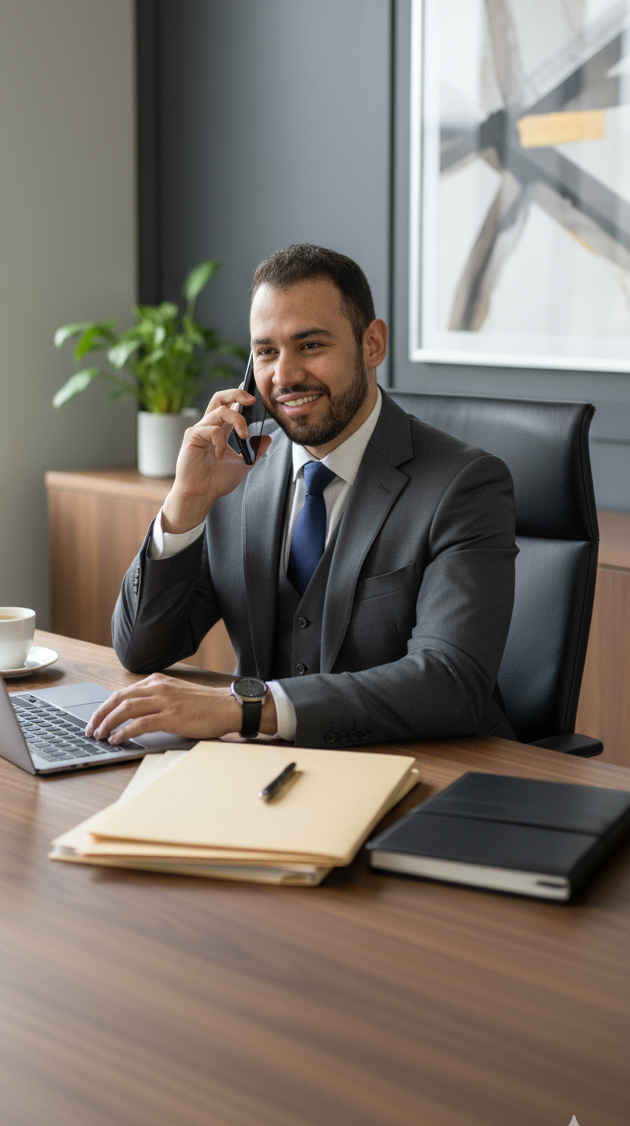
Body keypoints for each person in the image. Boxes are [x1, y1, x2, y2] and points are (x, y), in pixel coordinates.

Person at [86, 244, 518, 748]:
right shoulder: (233, 472)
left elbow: (450, 683)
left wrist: (244, 709)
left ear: (372, 344)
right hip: (265, 774)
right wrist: (185, 502)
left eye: (310, 345)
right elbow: (141, 650)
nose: (284, 376)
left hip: (420, 771)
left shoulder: (465, 484)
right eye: (266, 352)